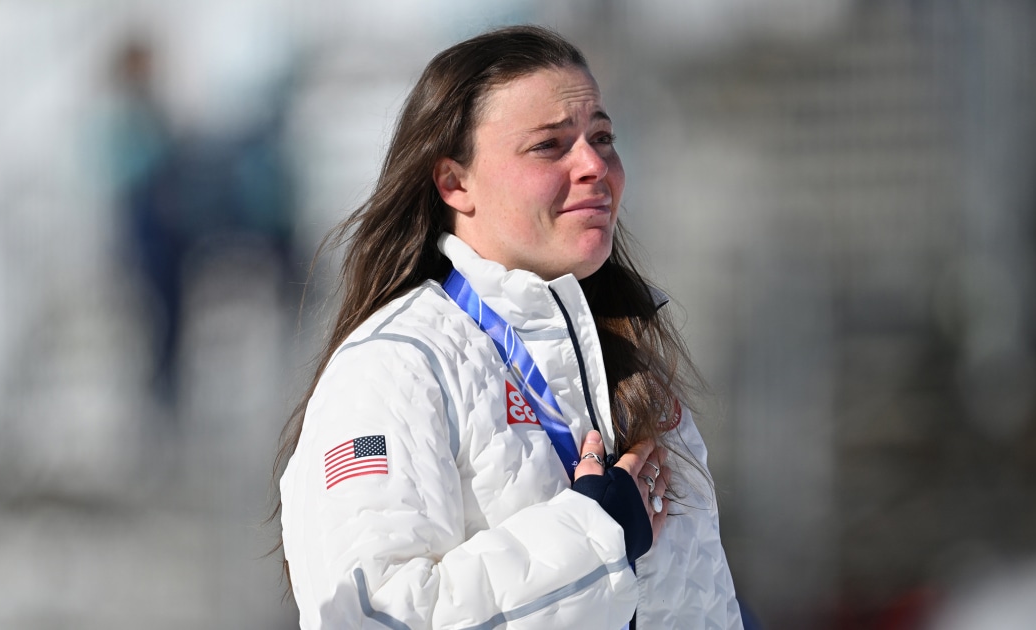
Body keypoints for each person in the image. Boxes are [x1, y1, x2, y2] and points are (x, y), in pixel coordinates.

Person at [276, 25, 743, 629]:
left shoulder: (627, 361)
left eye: (602, 137)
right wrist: (594, 536)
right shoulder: (393, 368)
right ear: (454, 182)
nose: (594, 165)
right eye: (550, 146)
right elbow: (371, 616)